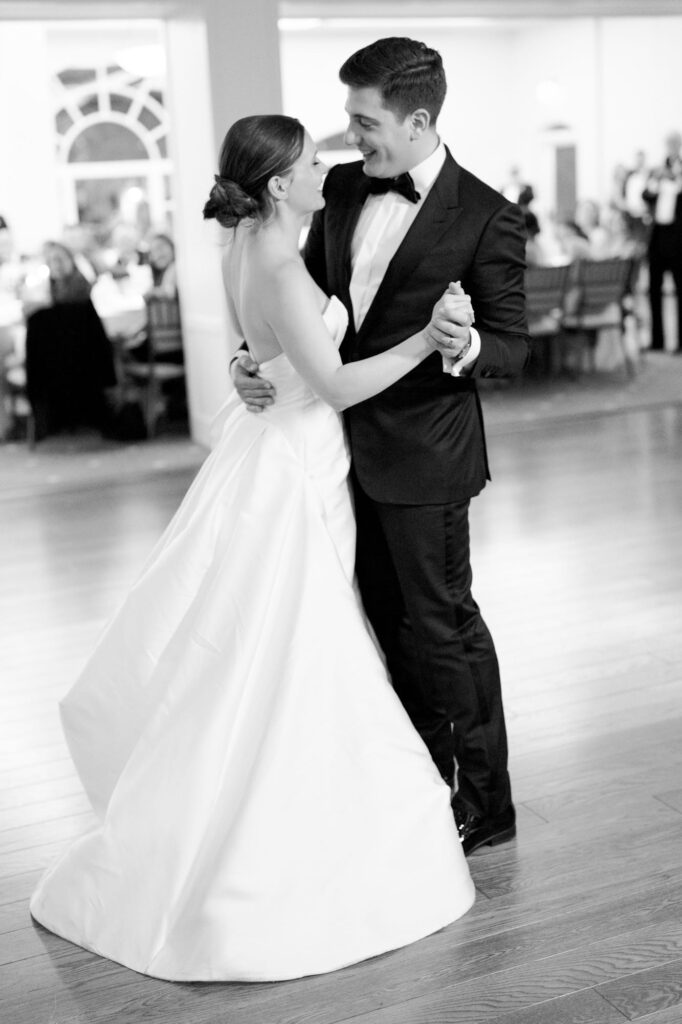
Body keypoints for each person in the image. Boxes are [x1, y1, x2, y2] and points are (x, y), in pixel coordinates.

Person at [29, 114, 476, 982]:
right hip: (299, 468)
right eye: (314, 161)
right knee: (300, 647)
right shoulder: (271, 259)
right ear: (279, 185)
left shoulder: (247, 245)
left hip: (279, 452)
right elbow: (337, 383)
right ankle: (286, 831)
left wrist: (248, 360)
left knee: (275, 641)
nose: (329, 168)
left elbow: (267, 342)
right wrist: (425, 340)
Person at [233, 37, 529, 855]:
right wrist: (248, 361)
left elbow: (514, 346)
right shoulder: (340, 191)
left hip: (427, 454)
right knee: (383, 622)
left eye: (363, 121)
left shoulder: (487, 216)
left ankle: (489, 802)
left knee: (442, 626)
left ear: (418, 118)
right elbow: (305, 301)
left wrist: (462, 345)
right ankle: (422, 780)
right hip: (333, 447)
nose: (349, 135)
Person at [22, 241, 116, 439]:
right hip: (64, 363)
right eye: (51, 261)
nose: (55, 265)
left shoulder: (77, 288)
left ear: (69, 261)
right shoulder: (44, 292)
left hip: (75, 360)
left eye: (59, 260)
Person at [643, 130, 682, 353]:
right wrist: (656, 181)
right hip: (658, 238)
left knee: (679, 289)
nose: (672, 147)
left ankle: (680, 342)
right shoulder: (657, 170)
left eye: (675, 143)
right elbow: (645, 195)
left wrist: (677, 178)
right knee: (653, 290)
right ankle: (657, 340)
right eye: (669, 144)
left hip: (678, 239)